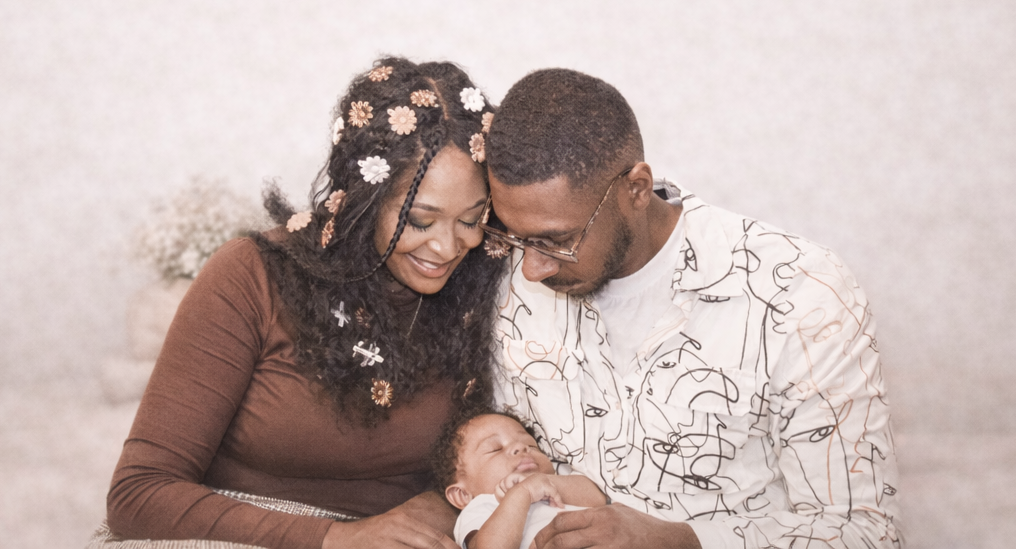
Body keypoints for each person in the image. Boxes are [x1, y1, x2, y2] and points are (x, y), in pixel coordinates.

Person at [478, 69, 901, 548]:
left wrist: (680, 541)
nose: (531, 268)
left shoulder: (799, 293)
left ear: (637, 189)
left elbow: (866, 534)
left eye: (557, 241)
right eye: (514, 236)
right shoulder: (510, 285)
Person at [104, 57, 506, 548]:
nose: (447, 247)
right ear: (363, 199)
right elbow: (138, 494)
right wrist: (334, 538)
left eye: (470, 219)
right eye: (420, 221)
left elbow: (496, 463)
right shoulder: (252, 275)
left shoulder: (483, 287)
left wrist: (437, 509)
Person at [430, 412, 609, 548]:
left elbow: (598, 497)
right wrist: (522, 493)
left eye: (531, 445)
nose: (521, 447)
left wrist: (543, 482)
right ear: (462, 495)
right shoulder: (482, 506)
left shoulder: (560, 481)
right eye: (495, 449)